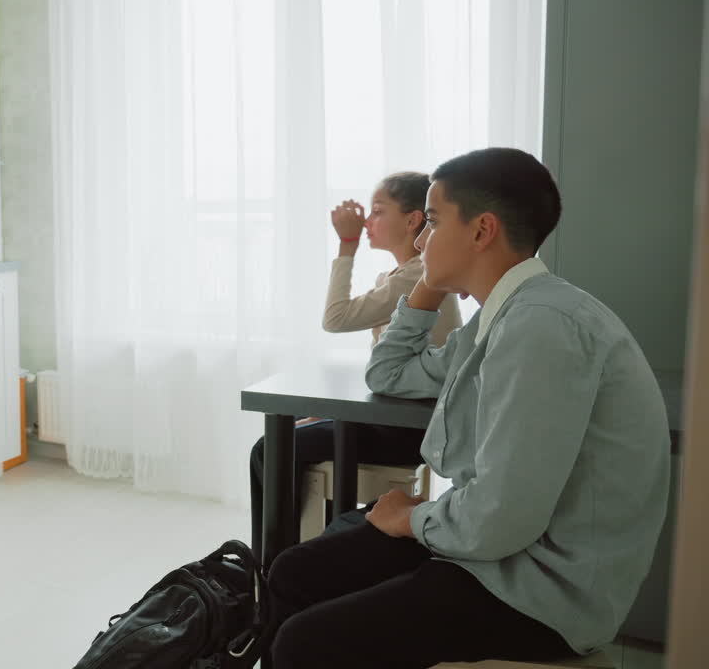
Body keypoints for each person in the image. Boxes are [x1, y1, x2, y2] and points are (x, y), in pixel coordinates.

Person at [266, 148, 670, 667]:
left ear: (481, 232)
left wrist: (415, 520)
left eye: (431, 223)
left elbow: (501, 518)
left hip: (539, 591)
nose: (419, 241)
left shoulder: (541, 327)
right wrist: (429, 283)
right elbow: (386, 373)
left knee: (304, 642)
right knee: (293, 572)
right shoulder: (502, 318)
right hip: (497, 551)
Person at [248, 172, 463, 557]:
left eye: (378, 211)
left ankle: (274, 556)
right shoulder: (401, 275)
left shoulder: (415, 276)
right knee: (294, 432)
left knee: (271, 448)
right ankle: (295, 546)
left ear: (413, 220)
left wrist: (346, 245)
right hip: (408, 415)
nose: (367, 221)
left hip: (408, 427)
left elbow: (336, 318)